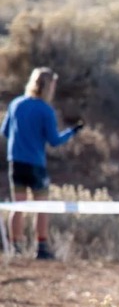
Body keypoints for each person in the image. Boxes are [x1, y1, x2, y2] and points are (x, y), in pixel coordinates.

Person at [1, 67, 84, 260]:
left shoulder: (16, 104)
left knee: (18, 206)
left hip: (16, 162)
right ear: (48, 87)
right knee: (42, 206)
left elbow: (5, 132)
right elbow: (54, 141)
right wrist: (72, 132)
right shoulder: (46, 110)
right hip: (36, 164)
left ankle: (16, 246)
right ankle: (42, 246)